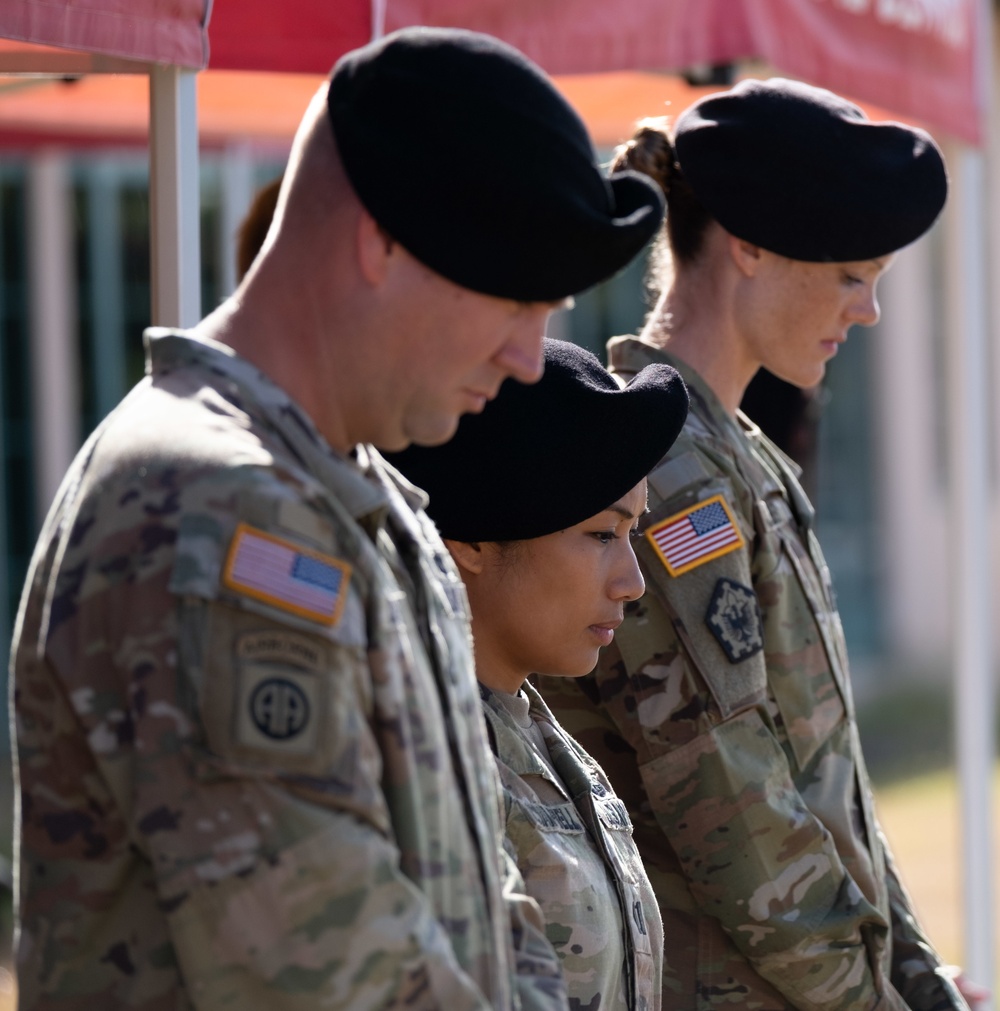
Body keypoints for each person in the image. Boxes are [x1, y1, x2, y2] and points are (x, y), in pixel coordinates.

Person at [9, 27, 667, 1010]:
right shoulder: (215, 511)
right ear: (380, 244)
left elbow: (485, 911)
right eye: (515, 303)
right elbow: (333, 975)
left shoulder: (355, 499)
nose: (531, 359)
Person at [539, 79, 973, 1011]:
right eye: (850, 275)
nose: (868, 312)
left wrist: (922, 986)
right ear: (748, 248)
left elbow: (830, 786)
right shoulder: (667, 468)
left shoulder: (742, 455)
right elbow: (737, 810)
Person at [385, 338, 689, 1011]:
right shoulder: (425, 760)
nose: (632, 581)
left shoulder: (540, 734)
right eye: (601, 535)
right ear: (472, 542)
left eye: (632, 533)